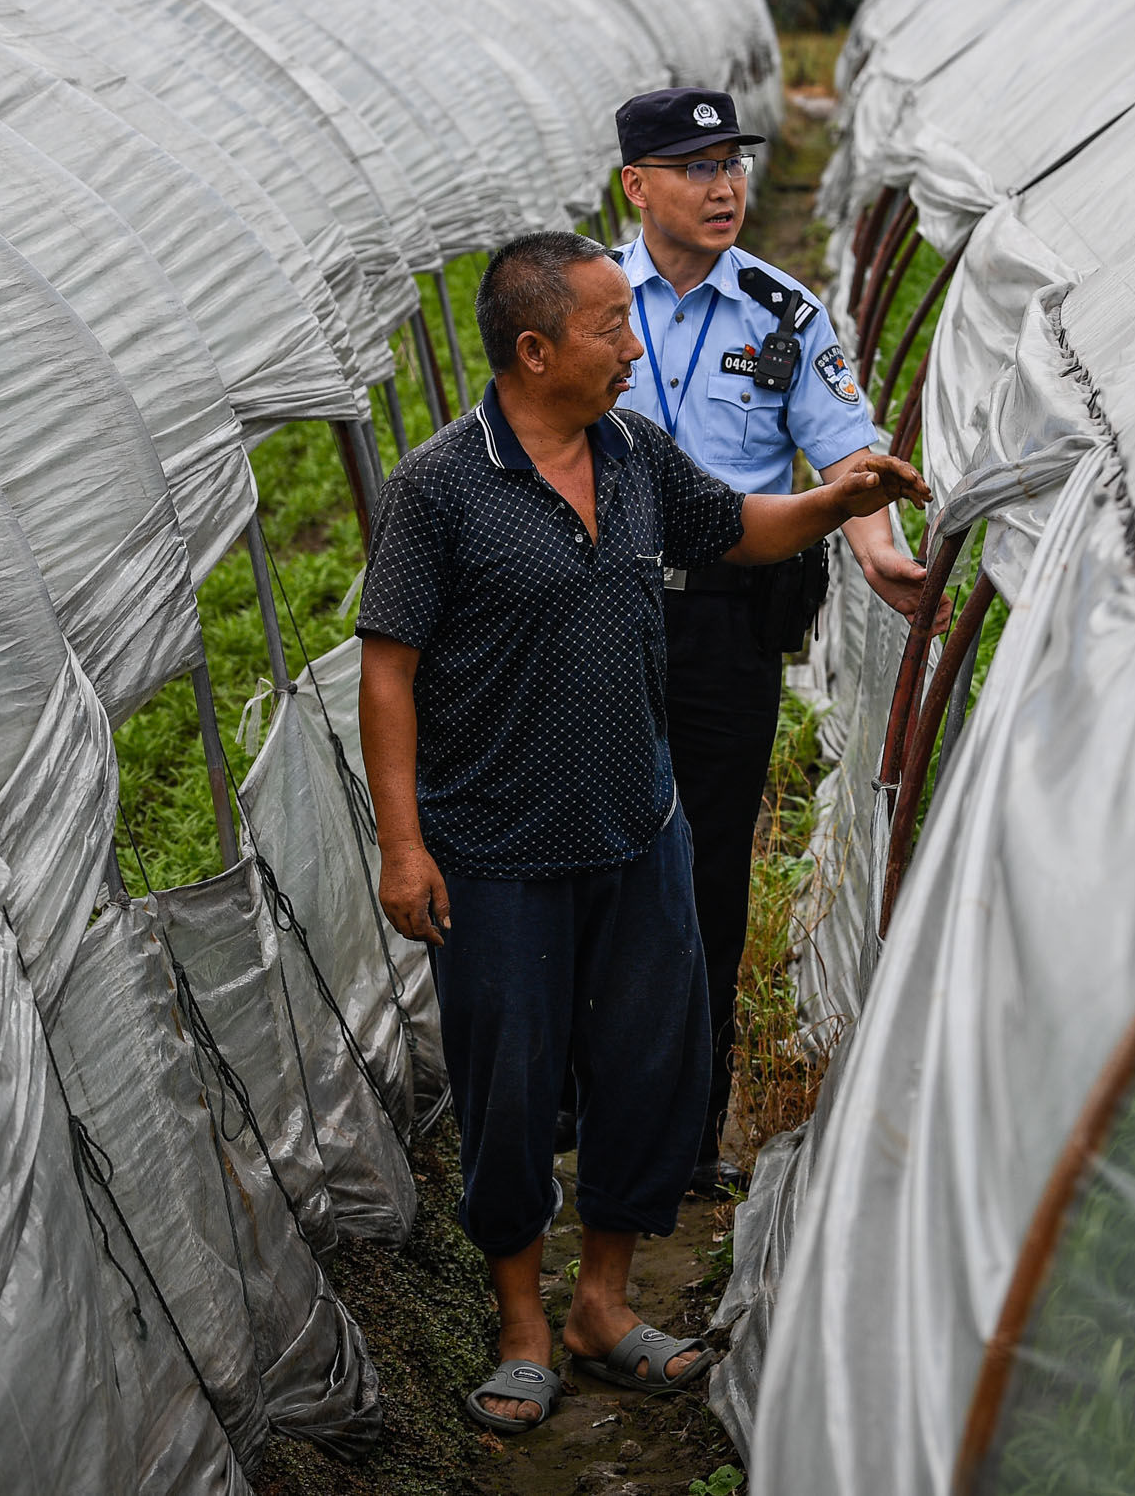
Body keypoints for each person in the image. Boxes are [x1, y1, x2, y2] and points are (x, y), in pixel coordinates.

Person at [356, 230, 927, 1435]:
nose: (633, 345)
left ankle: (601, 1305)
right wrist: (403, 846)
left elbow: (737, 531)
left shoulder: (632, 450)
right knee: (508, 1088)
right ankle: (521, 1325)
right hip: (497, 846)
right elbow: (390, 673)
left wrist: (837, 498)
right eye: (611, 326)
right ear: (533, 349)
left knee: (642, 1065)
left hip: (636, 826)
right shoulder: (440, 488)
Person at [606, 85, 936, 1198]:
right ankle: (583, 1098)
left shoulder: (779, 310)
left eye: (732, 164)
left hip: (725, 617)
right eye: (694, 167)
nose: (725, 185)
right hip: (595, 614)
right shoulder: (588, 299)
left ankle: (689, 1129)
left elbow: (848, 450)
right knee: (592, 845)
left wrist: (880, 546)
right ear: (635, 185)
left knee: (705, 861)